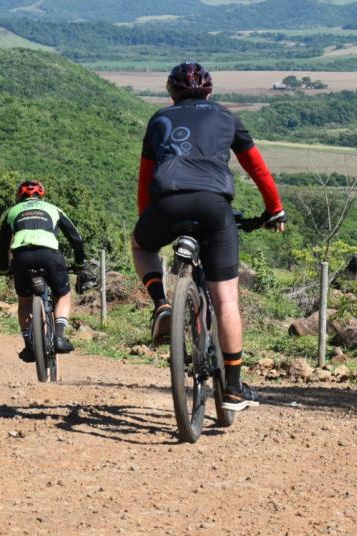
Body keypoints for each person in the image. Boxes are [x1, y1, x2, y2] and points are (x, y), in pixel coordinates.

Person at [132, 61, 286, 412]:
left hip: (165, 204)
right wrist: (275, 208)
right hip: (213, 205)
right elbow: (256, 167)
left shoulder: (159, 120)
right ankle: (233, 388)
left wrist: (149, 220)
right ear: (210, 92)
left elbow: (145, 178)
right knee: (227, 299)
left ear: (171, 94)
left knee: (141, 245)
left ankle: (162, 303)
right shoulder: (226, 117)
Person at [0, 180, 86, 363]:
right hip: (49, 256)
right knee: (63, 295)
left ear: (20, 196)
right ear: (41, 195)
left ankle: (29, 346)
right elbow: (76, 238)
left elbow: (2, 244)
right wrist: (79, 263)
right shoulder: (53, 209)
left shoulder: (12, 212)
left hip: (21, 258)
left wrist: (5, 268)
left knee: (24, 302)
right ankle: (59, 338)